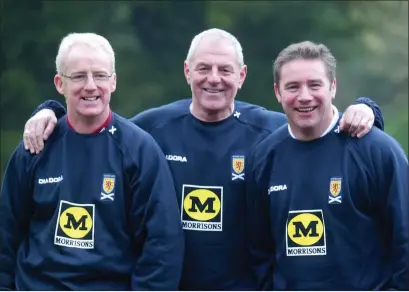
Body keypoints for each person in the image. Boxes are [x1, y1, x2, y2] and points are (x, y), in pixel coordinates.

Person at [21, 29, 384, 290]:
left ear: (241, 76)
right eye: (204, 68)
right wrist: (49, 110)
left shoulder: (268, 132)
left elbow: (321, 126)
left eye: (225, 70)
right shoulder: (153, 129)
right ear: (187, 72)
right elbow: (95, 125)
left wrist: (367, 109)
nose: (215, 79)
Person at [0, 33, 184, 291]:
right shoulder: (36, 145)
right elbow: (6, 237)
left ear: (114, 82)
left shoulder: (140, 150)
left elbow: (163, 246)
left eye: (99, 75)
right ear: (59, 83)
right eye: (78, 76)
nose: (90, 86)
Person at [245, 40, 408, 290]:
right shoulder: (263, 158)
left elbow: (404, 241)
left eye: (314, 85)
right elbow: (259, 250)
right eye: (293, 87)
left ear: (333, 87)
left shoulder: (378, 152)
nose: (304, 96)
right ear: (278, 92)